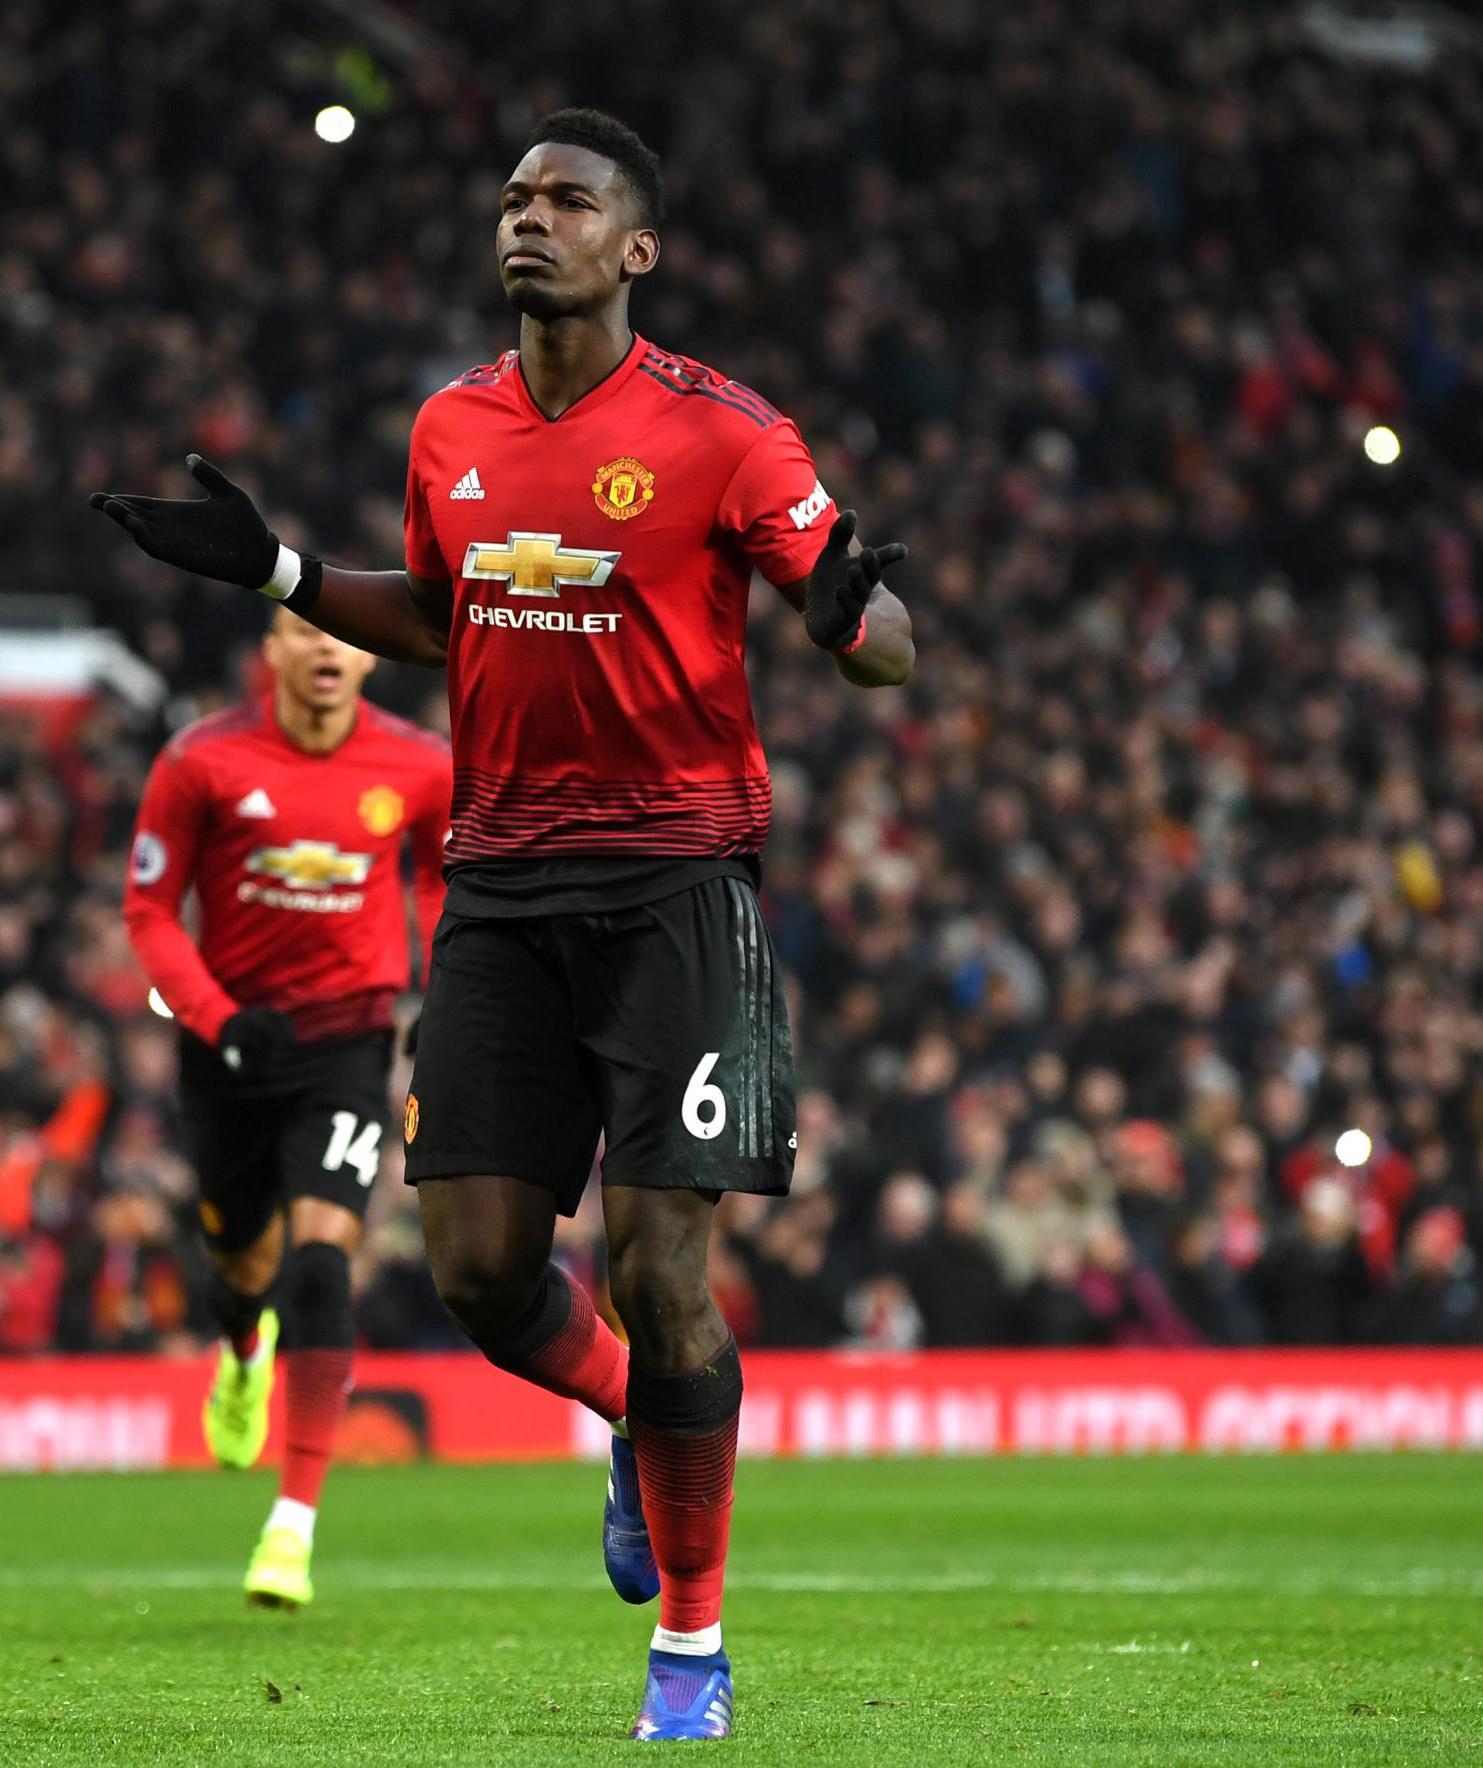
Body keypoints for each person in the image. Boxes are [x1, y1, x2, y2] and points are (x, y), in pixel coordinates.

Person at [95, 107, 912, 1742]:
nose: (527, 218)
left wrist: (845, 622)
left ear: (636, 247)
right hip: (500, 886)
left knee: (658, 1265)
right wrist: (270, 568)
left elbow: (875, 629)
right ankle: (630, 1416)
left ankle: (687, 1653)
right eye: (515, 197)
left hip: (683, 883)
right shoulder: (448, 423)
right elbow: (441, 611)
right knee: (473, 1269)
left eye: (568, 199)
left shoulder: (725, 432)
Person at [122, 606, 450, 1608]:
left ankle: (291, 1523)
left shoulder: (418, 765)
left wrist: (442, 992)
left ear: (366, 651)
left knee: (318, 1262)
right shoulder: (200, 760)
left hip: (347, 1044)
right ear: (267, 651)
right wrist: (218, 1019)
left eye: (340, 636)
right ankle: (237, 1351)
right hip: (228, 1046)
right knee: (241, 1267)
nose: (323, 650)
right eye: (300, 634)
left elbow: (441, 883)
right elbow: (147, 909)